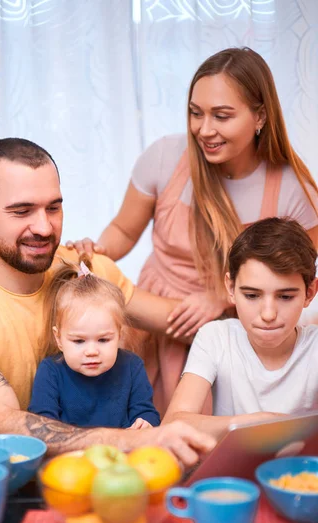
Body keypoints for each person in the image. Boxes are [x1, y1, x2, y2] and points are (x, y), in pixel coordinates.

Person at [0, 137, 215, 472]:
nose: (44, 227)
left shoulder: (87, 271)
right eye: (22, 211)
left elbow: (186, 323)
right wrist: (135, 440)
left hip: (87, 477)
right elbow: (0, 425)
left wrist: (223, 297)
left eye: (53, 208)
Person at [67, 47, 318, 416]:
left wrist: (222, 296)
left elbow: (298, 274)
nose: (204, 129)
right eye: (195, 113)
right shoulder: (165, 157)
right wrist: (97, 248)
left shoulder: (293, 190)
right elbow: (123, 228)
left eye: (222, 115)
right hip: (153, 323)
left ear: (260, 115)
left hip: (231, 326)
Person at [163, 217, 318, 438]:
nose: (268, 314)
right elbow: (174, 423)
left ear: (310, 293)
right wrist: (256, 423)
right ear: (231, 288)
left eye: (285, 296)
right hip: (230, 472)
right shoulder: (215, 337)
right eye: (252, 295)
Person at [28, 258, 160, 429]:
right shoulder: (51, 371)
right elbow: (41, 422)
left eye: (103, 340)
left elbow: (147, 412)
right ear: (59, 338)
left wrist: (145, 423)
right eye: (79, 341)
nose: (91, 351)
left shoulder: (132, 366)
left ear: (119, 334)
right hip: (69, 454)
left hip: (122, 453)